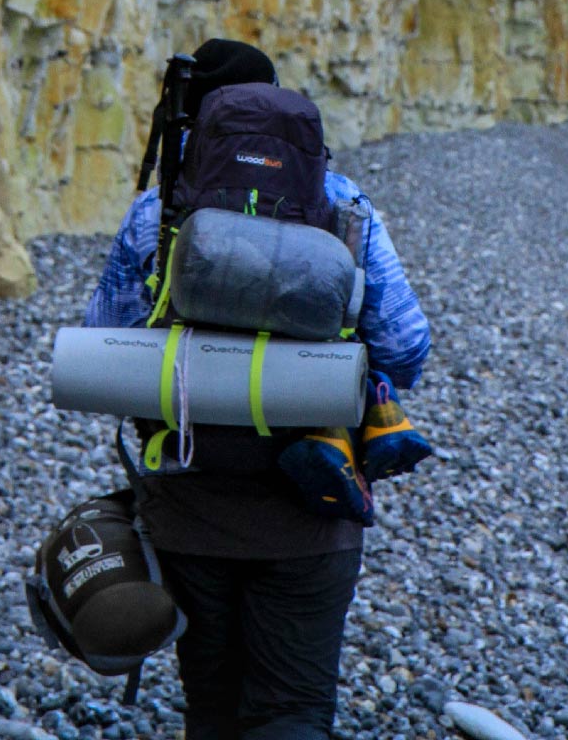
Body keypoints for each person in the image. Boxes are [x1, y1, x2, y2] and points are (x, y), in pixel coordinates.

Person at [84, 38, 431, 740]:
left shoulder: (158, 213)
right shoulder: (345, 208)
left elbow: (104, 341)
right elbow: (404, 346)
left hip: (187, 498)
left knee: (210, 703)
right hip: (313, 506)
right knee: (294, 707)